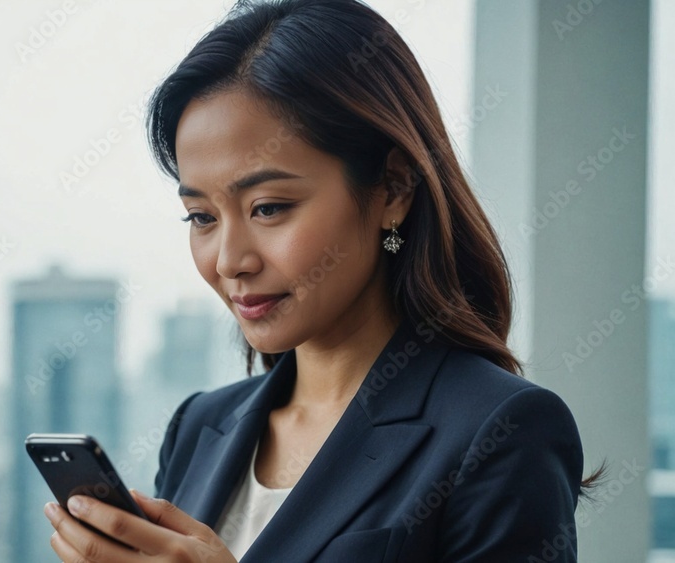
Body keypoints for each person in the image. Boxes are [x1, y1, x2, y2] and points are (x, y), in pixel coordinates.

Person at [43, 0, 599, 560]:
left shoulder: (502, 429)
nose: (230, 261)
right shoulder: (200, 426)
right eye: (202, 217)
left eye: (268, 208)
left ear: (393, 189)